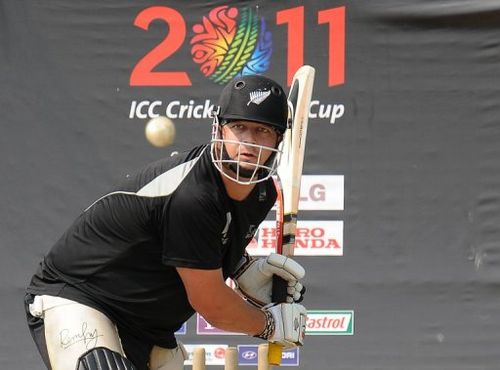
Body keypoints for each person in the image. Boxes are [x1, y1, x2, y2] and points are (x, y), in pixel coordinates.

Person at [25, 75, 307, 370]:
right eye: (238, 127)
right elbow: (211, 305)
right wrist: (269, 325)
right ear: (219, 129)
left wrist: (243, 269)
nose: (249, 142)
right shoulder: (193, 196)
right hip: (81, 298)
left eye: (262, 130)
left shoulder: (262, 193)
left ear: (279, 138)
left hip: (146, 327)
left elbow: (202, 243)